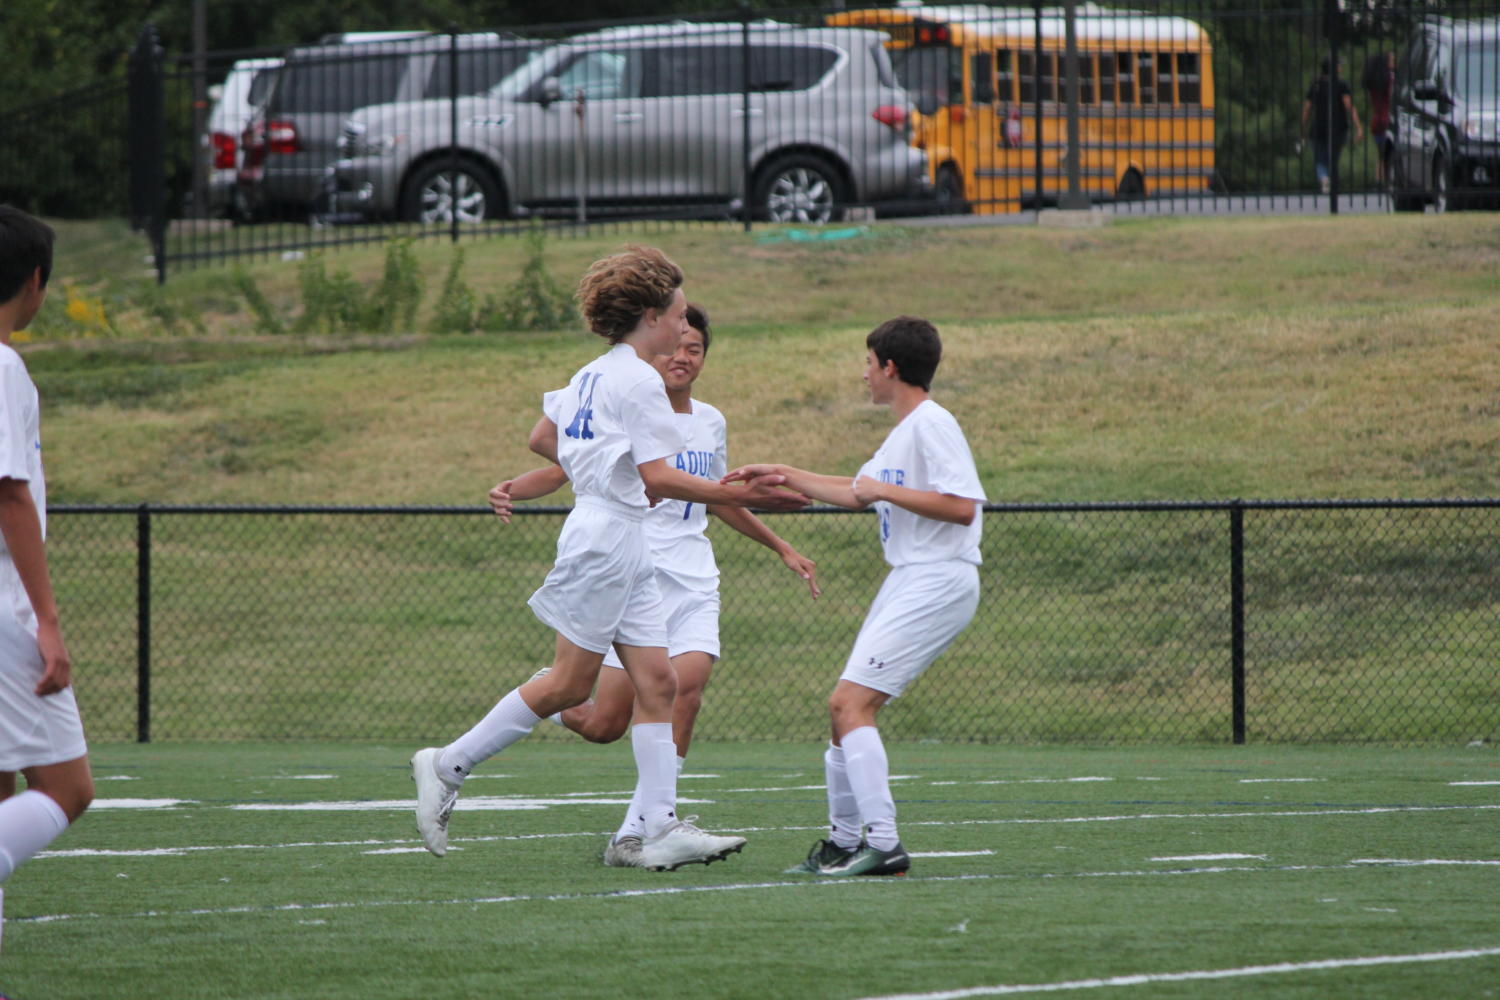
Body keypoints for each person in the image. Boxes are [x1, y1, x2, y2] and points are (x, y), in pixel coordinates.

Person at [410, 246, 808, 872]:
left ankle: (658, 829)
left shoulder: (595, 372)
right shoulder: (639, 379)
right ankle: (446, 765)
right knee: (570, 686)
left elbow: (559, 440)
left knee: (660, 682)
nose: (685, 329)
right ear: (651, 315)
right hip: (608, 536)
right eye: (679, 314)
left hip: (620, 536)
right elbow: (660, 479)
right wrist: (742, 493)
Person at [722, 316, 985, 878]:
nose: (862, 374)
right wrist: (784, 472)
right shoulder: (904, 431)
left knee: (851, 705)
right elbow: (853, 492)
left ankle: (884, 845)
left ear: (890, 367)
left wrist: (884, 489)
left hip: (938, 577)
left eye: (868, 363)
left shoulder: (932, 423)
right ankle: (843, 844)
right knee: (841, 712)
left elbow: (962, 506)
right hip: (911, 577)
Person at [0, 206, 94, 948]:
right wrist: (49, 622)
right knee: (66, 788)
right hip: (4, 610)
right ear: (34, 282)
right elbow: (8, 493)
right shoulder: (2, 364)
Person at [1302, 56, 1364, 195]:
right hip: (1338, 127)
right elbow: (1349, 106)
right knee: (1333, 158)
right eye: (1339, 65)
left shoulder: (1316, 85)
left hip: (1318, 127)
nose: (1341, 68)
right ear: (1333, 68)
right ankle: (1330, 182)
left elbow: (1307, 108)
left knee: (1320, 159)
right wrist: (1358, 127)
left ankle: (1324, 178)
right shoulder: (1341, 85)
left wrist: (1303, 127)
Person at [1363, 51, 1397, 187]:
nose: (1394, 62)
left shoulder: (1373, 83)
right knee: (1388, 153)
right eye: (1392, 59)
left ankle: (1379, 179)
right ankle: (1387, 179)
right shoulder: (1390, 79)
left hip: (1377, 122)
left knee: (1382, 154)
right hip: (1388, 120)